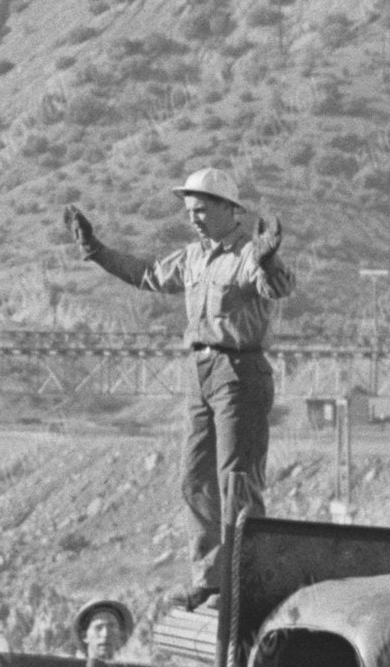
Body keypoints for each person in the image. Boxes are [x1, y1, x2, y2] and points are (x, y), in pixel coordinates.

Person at [70, 163, 293, 588]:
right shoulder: (194, 257)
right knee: (196, 478)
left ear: (231, 209)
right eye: (190, 211)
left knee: (237, 479)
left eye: (202, 210)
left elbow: (277, 288)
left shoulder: (249, 253)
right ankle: (209, 580)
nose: (193, 218)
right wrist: (96, 250)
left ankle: (246, 578)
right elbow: (147, 274)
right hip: (200, 370)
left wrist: (268, 260)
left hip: (239, 370)